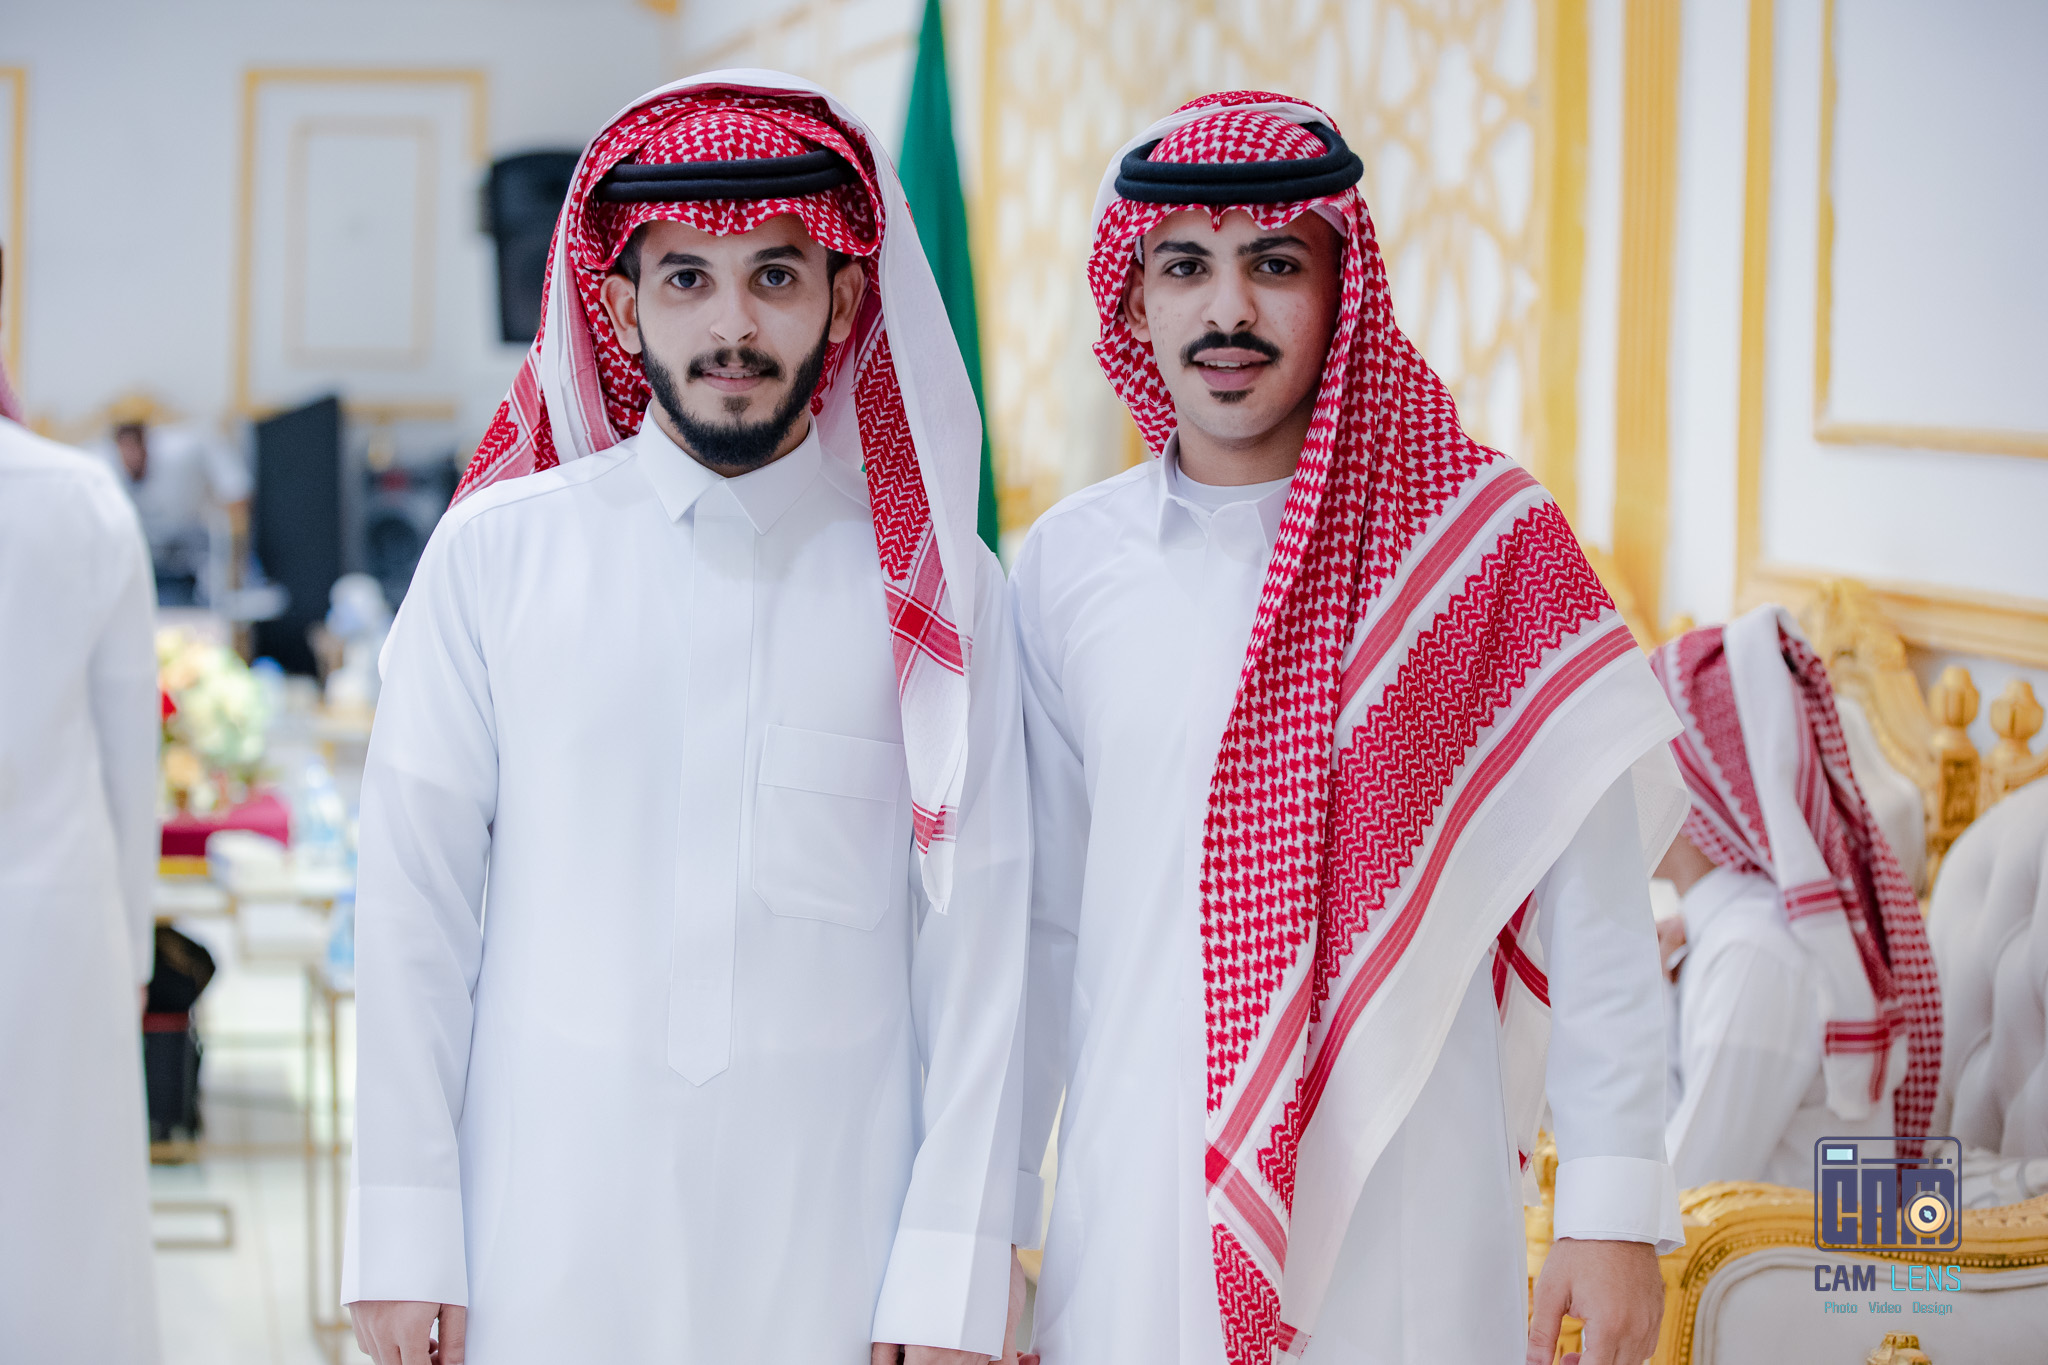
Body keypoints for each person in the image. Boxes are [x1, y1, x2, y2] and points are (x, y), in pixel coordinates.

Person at [342, 73, 1029, 1365]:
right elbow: (412, 909)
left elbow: (983, 942)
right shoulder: (497, 556)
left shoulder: (936, 592)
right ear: (619, 306)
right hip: (538, 1232)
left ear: (844, 299)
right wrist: (403, 1234)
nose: (732, 324)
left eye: (775, 276)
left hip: (832, 1246)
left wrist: (951, 1270)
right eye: (686, 279)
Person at [1009, 93, 1691, 1365]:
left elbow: (1594, 908)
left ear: (1341, 288)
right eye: (1184, 268)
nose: (1225, 311)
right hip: (1132, 1191)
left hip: (1402, 1206)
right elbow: (1039, 925)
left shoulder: (1481, 550)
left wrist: (1609, 1211)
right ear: (1134, 301)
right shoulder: (1062, 566)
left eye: (1274, 265)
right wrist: (994, 1229)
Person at [0, 245, 164, 1362]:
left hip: (55, 924)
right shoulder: (76, 498)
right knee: (61, 1241)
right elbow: (126, 761)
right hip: (52, 935)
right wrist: (133, 953)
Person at [1651, 606, 1941, 1190]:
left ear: (1691, 790)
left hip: (1795, 1253)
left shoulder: (1758, 954)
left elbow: (1677, 1199)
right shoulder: (1721, 930)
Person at [93, 405, 250, 607]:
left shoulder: (187, 449)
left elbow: (236, 491)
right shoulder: (97, 464)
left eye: (136, 446)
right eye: (124, 449)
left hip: (190, 556)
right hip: (135, 560)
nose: (131, 456)